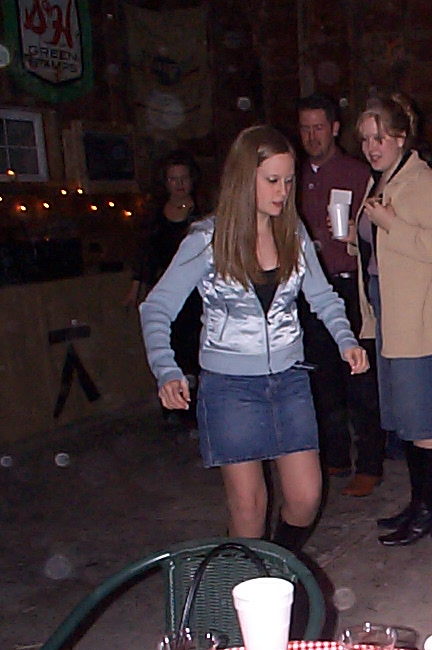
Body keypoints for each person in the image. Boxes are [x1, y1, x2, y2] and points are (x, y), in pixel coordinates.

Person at [140, 125, 368, 554]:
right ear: (244, 178)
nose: (283, 192)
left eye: (289, 181)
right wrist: (166, 368)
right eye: (272, 180)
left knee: (305, 499)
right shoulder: (206, 239)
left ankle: (276, 564)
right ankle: (250, 579)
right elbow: (156, 307)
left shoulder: (292, 232)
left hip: (289, 379)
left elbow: (321, 295)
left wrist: (346, 339)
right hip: (230, 387)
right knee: (248, 509)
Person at [351, 94, 432, 546]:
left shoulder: (423, 183)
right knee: (410, 422)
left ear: (401, 137)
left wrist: (392, 225)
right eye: (365, 139)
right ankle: (419, 505)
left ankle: (428, 512)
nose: (371, 147)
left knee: (426, 423)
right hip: (392, 313)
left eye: (379, 138)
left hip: (422, 322)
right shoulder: (382, 180)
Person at [296, 95, 384, 497]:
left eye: (319, 127)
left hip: (349, 285)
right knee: (321, 378)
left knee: (359, 379)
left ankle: (369, 464)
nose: (312, 136)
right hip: (307, 289)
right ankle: (334, 456)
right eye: (305, 128)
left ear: (334, 128)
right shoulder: (292, 176)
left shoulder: (357, 173)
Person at [126, 150, 206, 426]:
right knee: (173, 350)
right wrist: (135, 289)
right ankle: (176, 408)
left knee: (198, 353)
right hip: (168, 293)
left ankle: (199, 411)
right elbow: (145, 256)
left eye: (184, 178)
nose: (179, 184)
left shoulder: (203, 215)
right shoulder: (156, 216)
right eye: (173, 179)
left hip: (197, 295)